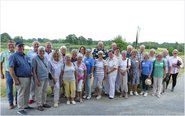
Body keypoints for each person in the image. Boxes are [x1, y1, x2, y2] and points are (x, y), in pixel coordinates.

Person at [9, 42, 33, 115]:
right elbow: (11, 69)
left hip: (28, 77)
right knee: (21, 94)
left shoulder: (25, 56)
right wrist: (15, 79)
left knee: (27, 93)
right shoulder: (13, 56)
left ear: (23, 48)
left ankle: (25, 105)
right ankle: (20, 109)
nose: (20, 48)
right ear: (16, 47)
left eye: (22, 46)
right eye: (19, 46)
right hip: (20, 78)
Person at [32, 46, 51, 111]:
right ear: (38, 51)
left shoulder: (45, 57)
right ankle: (39, 105)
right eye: (40, 51)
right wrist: (36, 79)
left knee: (44, 91)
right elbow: (33, 70)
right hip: (39, 78)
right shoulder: (34, 58)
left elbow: (47, 67)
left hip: (46, 77)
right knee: (39, 92)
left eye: (43, 51)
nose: (42, 52)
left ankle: (44, 103)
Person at [0, 40, 17, 109]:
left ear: (14, 46)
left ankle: (18, 102)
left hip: (17, 73)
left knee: (18, 88)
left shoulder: (17, 53)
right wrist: (1, 73)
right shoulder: (3, 53)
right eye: (10, 44)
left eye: (12, 44)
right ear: (7, 45)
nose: (11, 46)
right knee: (9, 89)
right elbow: (0, 63)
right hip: (8, 73)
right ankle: (11, 103)